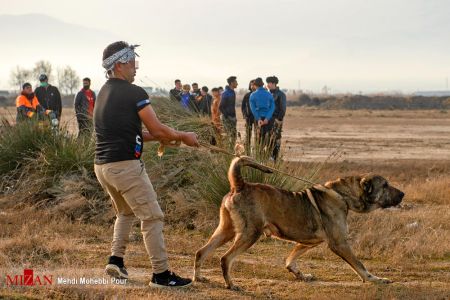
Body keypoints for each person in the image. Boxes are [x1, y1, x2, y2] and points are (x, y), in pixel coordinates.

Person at [94, 41, 199, 288]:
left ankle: (116, 261)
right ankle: (161, 275)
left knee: (126, 212)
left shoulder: (104, 92)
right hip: (125, 167)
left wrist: (171, 137)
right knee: (153, 217)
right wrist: (183, 135)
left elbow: (139, 132)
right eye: (132, 62)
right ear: (120, 64)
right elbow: (157, 128)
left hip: (103, 167)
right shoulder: (134, 93)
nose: (135, 67)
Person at [249, 77, 275, 145]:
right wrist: (267, 118)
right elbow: (272, 107)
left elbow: (253, 109)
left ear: (255, 85)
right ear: (262, 85)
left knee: (259, 140)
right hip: (268, 120)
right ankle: (267, 155)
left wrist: (258, 119)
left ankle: (259, 155)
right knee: (269, 140)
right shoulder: (269, 94)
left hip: (258, 120)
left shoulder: (252, 95)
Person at [266, 76, 286, 160]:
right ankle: (269, 156)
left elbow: (283, 108)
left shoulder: (280, 94)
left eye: (269, 83)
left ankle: (275, 158)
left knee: (276, 139)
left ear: (274, 83)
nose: (267, 85)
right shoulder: (267, 93)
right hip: (267, 120)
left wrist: (279, 119)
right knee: (268, 139)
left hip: (276, 120)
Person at [219, 76, 238, 145]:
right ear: (231, 83)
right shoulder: (226, 93)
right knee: (227, 135)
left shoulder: (233, 92)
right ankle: (227, 151)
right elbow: (221, 107)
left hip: (232, 117)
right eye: (236, 82)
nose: (237, 84)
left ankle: (232, 150)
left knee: (234, 135)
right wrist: (227, 116)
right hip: (227, 118)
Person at [241, 79, 256, 151]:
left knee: (258, 135)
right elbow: (243, 106)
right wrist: (245, 114)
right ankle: (247, 151)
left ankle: (257, 151)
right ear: (250, 86)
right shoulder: (247, 95)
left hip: (257, 118)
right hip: (249, 117)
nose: (253, 86)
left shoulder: (259, 95)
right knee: (248, 135)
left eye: (254, 84)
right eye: (251, 84)